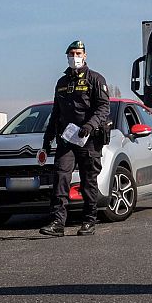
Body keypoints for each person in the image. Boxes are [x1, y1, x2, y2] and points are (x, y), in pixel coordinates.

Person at [40, 40, 110, 237]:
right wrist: (48, 137)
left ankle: (89, 220)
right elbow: (56, 111)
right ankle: (57, 222)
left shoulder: (95, 79)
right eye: (71, 53)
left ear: (85, 55)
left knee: (89, 181)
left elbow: (103, 107)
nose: (75, 57)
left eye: (78, 53)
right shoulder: (62, 83)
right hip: (67, 139)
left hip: (89, 138)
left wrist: (89, 126)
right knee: (61, 177)